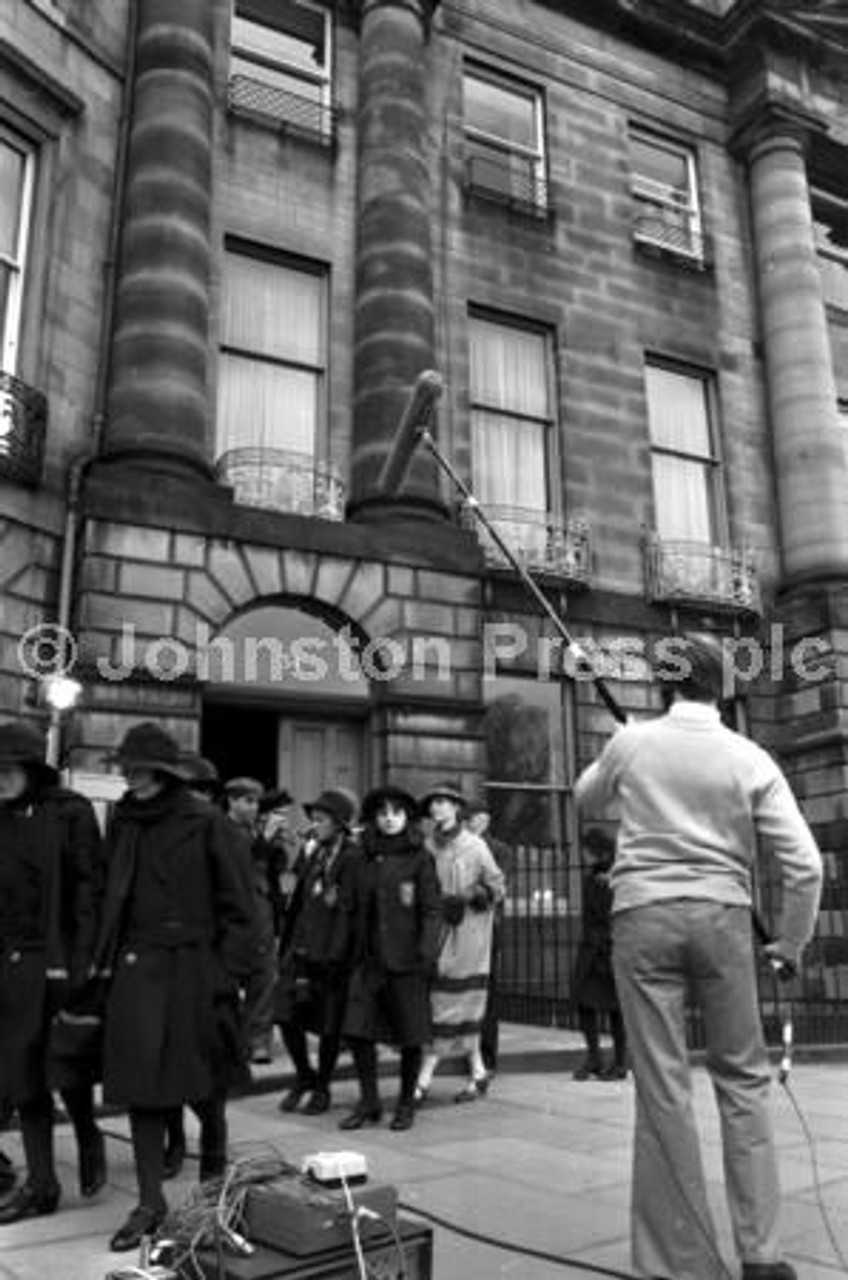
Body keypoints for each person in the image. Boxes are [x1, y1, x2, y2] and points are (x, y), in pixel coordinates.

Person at [575, 632, 823, 1280]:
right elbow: (803, 865)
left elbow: (585, 799)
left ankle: (680, 1265)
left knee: (663, 1088)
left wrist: (626, 747)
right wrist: (790, 943)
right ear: (724, 687)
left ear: (663, 682)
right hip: (722, 918)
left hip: (643, 917)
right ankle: (762, 1255)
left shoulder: (632, 743)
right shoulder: (750, 756)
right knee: (744, 1080)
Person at [97, 724, 255, 1253]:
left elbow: (241, 908)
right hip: (138, 969)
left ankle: (215, 1191)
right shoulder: (123, 821)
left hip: (195, 970)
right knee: (139, 1089)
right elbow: (108, 895)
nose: (130, 776)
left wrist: (229, 976)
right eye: (127, 767)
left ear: (165, 772)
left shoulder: (206, 821)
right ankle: (149, 1201)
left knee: (206, 1090)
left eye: (140, 768)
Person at [0, 720, 106, 1225]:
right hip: (12, 964)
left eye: (7, 769)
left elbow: (88, 895)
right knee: (23, 1076)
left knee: (67, 1068)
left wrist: (82, 969)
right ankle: (43, 1184)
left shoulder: (69, 812)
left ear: (30, 769)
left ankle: (89, 1134)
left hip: (60, 961)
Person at [337, 786, 442, 1132]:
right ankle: (369, 1103)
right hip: (367, 960)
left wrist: (426, 952)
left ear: (406, 817)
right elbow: (348, 906)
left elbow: (431, 910)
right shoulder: (359, 854)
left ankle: (405, 1103)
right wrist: (343, 950)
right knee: (358, 1032)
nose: (389, 818)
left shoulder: (419, 856)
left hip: (406, 960)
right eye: (382, 812)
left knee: (410, 1035)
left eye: (396, 812)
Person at [415, 782, 505, 1103]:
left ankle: (422, 1080)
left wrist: (472, 896)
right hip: (436, 933)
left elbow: (496, 884)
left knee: (451, 1004)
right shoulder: (426, 846)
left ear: (456, 807)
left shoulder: (475, 846)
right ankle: (478, 1072)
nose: (437, 808)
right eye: (433, 803)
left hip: (469, 935)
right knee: (448, 1006)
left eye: (443, 802)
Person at [275, 789, 359, 1116]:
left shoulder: (351, 858)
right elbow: (298, 901)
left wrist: (338, 953)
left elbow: (349, 910)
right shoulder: (314, 853)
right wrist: (287, 944)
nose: (315, 824)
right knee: (284, 1014)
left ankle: (322, 1085)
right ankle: (304, 1076)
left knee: (328, 1025)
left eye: (321, 819)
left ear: (339, 824)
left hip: (331, 954)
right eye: (314, 818)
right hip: (300, 949)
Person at [223, 776, 277, 1065]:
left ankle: (259, 1040)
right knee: (228, 978)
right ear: (231, 801)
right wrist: (261, 842)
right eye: (248, 801)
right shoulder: (220, 829)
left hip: (261, 911)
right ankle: (231, 1039)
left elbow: (272, 872)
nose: (254, 808)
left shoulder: (255, 832)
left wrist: (273, 844)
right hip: (232, 911)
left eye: (256, 802)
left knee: (264, 975)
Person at [571, 826, 626, 1081]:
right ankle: (594, 1057)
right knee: (583, 1002)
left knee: (616, 1009)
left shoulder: (619, 876)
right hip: (591, 950)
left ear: (599, 852)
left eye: (586, 850)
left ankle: (621, 1061)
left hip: (613, 949)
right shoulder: (589, 877)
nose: (583, 855)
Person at [465, 800, 510, 1074]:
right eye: (467, 818)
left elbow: (497, 887)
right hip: (460, 931)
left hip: (486, 929)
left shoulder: (499, 850)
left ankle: (487, 1055)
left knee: (487, 994)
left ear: (486, 820)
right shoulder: (456, 846)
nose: (471, 822)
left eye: (475, 817)